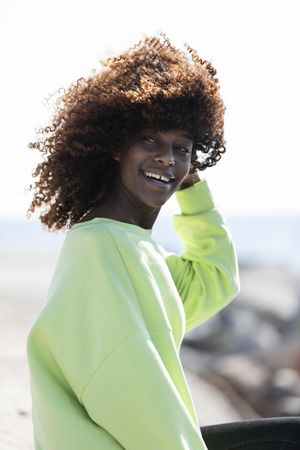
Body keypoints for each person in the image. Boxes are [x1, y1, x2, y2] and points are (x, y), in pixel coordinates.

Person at [26, 34, 300, 450]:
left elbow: (216, 276)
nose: (167, 158)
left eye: (182, 149)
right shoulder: (103, 249)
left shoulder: (130, 244)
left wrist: (189, 185)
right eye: (149, 140)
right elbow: (128, 389)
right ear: (116, 146)